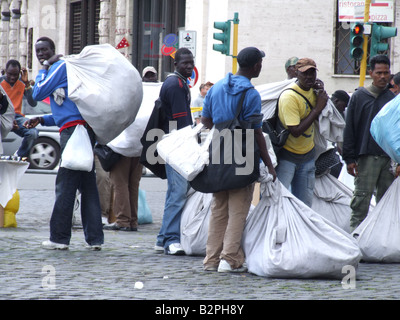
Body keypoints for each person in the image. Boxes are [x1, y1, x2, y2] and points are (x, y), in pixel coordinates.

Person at [200, 47, 277, 273]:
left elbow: (205, 121)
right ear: (255, 66)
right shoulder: (251, 94)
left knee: (219, 207)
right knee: (238, 209)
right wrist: (269, 165)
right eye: (260, 63)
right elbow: (256, 132)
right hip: (242, 153)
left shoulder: (216, 89)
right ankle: (229, 259)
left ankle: (211, 259)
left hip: (219, 150)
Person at [25, 37, 104, 250]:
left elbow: (38, 92)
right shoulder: (61, 70)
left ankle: (59, 239)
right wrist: (42, 119)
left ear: (53, 50)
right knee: (88, 188)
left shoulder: (58, 67)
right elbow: (66, 112)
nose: (41, 53)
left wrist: (44, 68)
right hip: (81, 130)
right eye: (38, 51)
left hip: (74, 133)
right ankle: (95, 239)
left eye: (44, 50)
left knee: (65, 187)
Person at [343, 54, 397, 230]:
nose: (383, 76)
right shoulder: (359, 97)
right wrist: (349, 159)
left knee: (386, 202)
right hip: (366, 158)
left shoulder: (392, 99)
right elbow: (350, 128)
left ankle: (381, 242)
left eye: (386, 73)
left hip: (388, 159)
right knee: (361, 201)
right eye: (379, 72)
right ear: (371, 73)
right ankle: (355, 239)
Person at [154, 47, 194, 255]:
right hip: (178, 143)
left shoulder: (176, 82)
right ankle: (171, 239)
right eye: (185, 63)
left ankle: (162, 238)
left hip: (172, 141)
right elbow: (183, 122)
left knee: (174, 193)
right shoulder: (177, 85)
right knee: (178, 193)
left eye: (191, 62)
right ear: (176, 64)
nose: (189, 66)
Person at [275, 58, 329, 208]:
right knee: (280, 203)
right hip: (287, 157)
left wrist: (321, 93)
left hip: (307, 157)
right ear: (296, 73)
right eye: (305, 73)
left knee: (304, 206)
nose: (309, 77)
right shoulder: (289, 97)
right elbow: (296, 131)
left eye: (312, 73)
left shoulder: (315, 92)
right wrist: (317, 108)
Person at [0, 60, 38, 158]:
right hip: (2, 116)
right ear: (5, 71)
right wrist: (8, 121)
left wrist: (27, 84)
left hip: (17, 117)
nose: (13, 77)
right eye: (10, 74)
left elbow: (33, 103)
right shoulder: (0, 82)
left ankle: (18, 156)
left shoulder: (22, 83)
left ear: (20, 73)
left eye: (16, 75)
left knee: (33, 132)